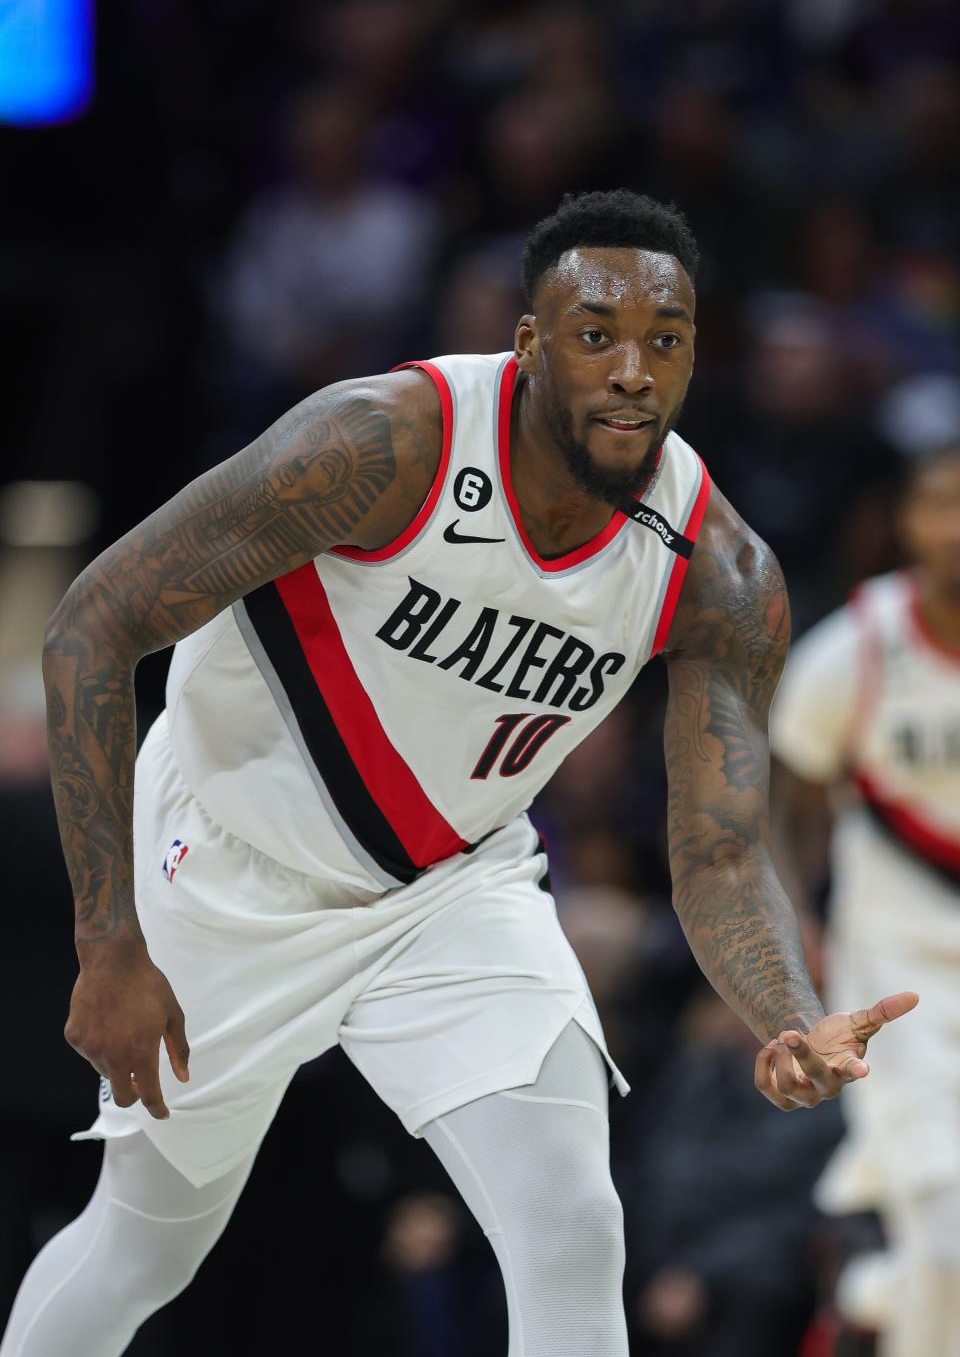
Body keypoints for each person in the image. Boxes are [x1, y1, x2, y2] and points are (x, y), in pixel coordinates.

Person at [3, 189, 916, 1357]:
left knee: (572, 1222)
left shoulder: (724, 570)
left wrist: (785, 1016)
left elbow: (720, 845)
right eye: (596, 336)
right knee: (145, 1246)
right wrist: (109, 941)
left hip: (451, 889)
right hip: (226, 863)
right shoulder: (382, 441)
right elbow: (93, 624)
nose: (633, 369)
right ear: (529, 345)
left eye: (667, 340)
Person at [771, 442, 960, 1357]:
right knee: (951, 1224)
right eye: (940, 503)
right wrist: (793, 920)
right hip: (897, 969)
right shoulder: (856, 648)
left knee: (928, 1235)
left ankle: (863, 1291)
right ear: (909, 521)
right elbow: (786, 805)